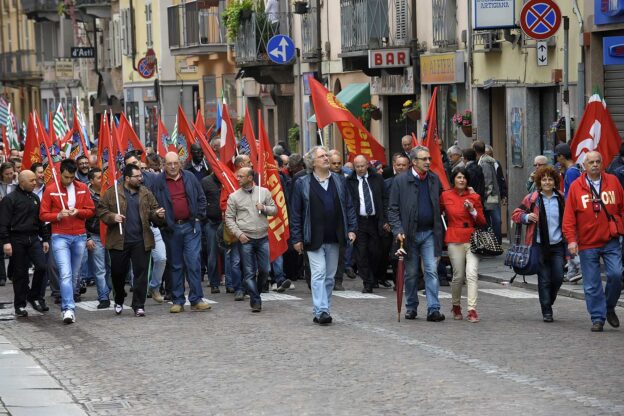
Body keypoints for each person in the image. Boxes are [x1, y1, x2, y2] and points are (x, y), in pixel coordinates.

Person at [290, 146, 357, 325]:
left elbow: (348, 206)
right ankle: (321, 311)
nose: (326, 158)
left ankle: (323, 307)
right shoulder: (302, 183)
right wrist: (296, 238)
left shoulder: (339, 181)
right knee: (318, 273)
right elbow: (296, 212)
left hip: (335, 235)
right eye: (322, 156)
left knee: (329, 276)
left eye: (327, 155)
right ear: (313, 162)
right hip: (313, 236)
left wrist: (351, 229)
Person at [562, 151, 624, 332]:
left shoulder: (613, 181)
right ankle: (598, 318)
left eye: (598, 161)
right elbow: (569, 217)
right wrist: (571, 240)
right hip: (587, 243)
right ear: (585, 165)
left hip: (610, 239)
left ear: (602, 163)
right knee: (591, 284)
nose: (595, 165)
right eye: (591, 162)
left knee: (616, 275)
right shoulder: (576, 186)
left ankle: (609, 305)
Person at [98, 164, 165, 317]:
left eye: (140, 176)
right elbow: (101, 210)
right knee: (117, 273)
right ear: (127, 178)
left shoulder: (145, 193)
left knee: (141, 274)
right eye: (137, 176)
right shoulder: (112, 192)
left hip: (141, 240)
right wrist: (112, 217)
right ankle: (119, 299)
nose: (140, 178)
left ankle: (139, 305)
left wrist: (158, 214)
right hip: (118, 240)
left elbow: (153, 210)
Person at [388, 146, 445, 322]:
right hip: (409, 235)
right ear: (414, 162)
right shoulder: (400, 181)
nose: (428, 162)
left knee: (431, 270)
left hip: (429, 233)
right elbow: (393, 209)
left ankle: (433, 308)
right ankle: (411, 307)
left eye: (429, 158)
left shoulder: (434, 180)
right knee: (411, 273)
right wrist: (398, 230)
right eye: (424, 159)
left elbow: (442, 204)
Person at [151, 152, 211, 313]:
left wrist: (199, 217)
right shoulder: (158, 181)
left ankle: (196, 299)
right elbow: (152, 204)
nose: (172, 166)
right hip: (171, 228)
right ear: (164, 164)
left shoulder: (190, 177)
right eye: (169, 163)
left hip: (191, 226)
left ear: (180, 164)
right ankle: (177, 300)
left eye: (175, 163)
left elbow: (201, 198)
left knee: (193, 262)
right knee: (176, 265)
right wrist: (157, 214)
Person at [40, 159, 95, 324]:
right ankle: (68, 309)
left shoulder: (83, 188)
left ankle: (69, 306)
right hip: (60, 236)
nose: (69, 180)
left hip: (79, 235)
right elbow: (43, 215)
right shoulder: (50, 190)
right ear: (60, 173)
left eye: (72, 177)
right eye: (66, 177)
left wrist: (78, 211)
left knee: (74, 275)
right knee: (65, 273)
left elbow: (91, 210)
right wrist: (57, 216)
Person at [513, 166, 566, 323]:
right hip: (538, 244)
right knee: (544, 279)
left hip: (557, 244)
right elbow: (516, 214)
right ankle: (547, 311)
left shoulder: (562, 198)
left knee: (558, 277)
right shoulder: (532, 198)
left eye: (550, 179)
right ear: (539, 182)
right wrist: (526, 216)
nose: (547, 182)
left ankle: (548, 301)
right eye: (544, 179)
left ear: (555, 181)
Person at [225, 167, 278, 312]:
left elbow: (275, 210)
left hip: (262, 237)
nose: (238, 178)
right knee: (248, 272)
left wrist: (265, 208)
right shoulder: (234, 197)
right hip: (245, 238)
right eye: (238, 176)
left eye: (241, 176)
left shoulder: (264, 192)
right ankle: (255, 300)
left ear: (250, 178)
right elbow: (229, 219)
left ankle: (257, 293)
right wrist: (239, 234)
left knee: (265, 270)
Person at [0, 170, 50, 317]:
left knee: (42, 267)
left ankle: (34, 296)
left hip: (34, 238)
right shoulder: (10, 199)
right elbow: (3, 223)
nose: (35, 182)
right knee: (20, 273)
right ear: (22, 183)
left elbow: (40, 221)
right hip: (17, 239)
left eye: (35, 180)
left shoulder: (35, 198)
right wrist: (6, 242)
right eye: (32, 180)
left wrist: (45, 238)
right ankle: (20, 305)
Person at [440, 168, 486, 322]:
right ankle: (456, 305)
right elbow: (438, 213)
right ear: (454, 179)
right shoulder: (446, 195)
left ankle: (472, 309)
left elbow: (482, 221)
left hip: (472, 238)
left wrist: (472, 210)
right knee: (458, 275)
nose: (461, 180)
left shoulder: (474, 197)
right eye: (459, 177)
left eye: (464, 178)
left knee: (472, 274)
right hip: (454, 238)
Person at [347, 155, 387, 293]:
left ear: (367, 165)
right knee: (361, 253)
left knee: (376, 251)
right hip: (359, 221)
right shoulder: (350, 181)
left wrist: (385, 219)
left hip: (375, 220)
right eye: (357, 166)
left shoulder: (377, 179)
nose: (360, 169)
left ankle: (373, 276)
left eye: (362, 166)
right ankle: (367, 282)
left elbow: (384, 197)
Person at [554, 143, 583, 283]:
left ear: (561, 156)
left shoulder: (572, 172)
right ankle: (572, 273)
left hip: (571, 211)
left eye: (557, 157)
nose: (557, 161)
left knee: (571, 239)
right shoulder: (572, 170)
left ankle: (580, 267)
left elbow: (573, 194)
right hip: (571, 210)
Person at [85, 168, 112, 309]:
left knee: (111, 267)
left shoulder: (109, 191)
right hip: (95, 235)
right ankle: (103, 296)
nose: (101, 179)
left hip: (111, 234)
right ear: (91, 181)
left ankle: (108, 289)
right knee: (100, 268)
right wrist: (87, 237)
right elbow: (82, 218)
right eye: (98, 177)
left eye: (102, 176)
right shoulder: (85, 195)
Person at [473, 141, 502, 243]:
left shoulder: (484, 163)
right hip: (491, 196)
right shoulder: (486, 161)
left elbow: (487, 181)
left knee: (494, 220)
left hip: (490, 197)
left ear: (475, 151)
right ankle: (494, 243)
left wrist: (483, 196)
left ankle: (496, 243)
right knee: (493, 221)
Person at [0, 162, 17, 286]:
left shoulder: (17, 185)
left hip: (14, 221)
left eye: (11, 173)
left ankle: (11, 272)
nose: (10, 176)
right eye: (7, 174)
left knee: (14, 249)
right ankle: (2, 276)